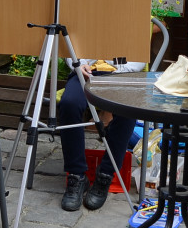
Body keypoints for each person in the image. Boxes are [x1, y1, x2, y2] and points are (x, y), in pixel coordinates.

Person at [58, 59, 141, 211]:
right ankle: (76, 176)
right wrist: (78, 64)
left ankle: (105, 174)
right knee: (69, 104)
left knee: (128, 109)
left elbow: (139, 53)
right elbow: (68, 41)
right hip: (85, 72)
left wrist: (119, 70)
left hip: (122, 73)